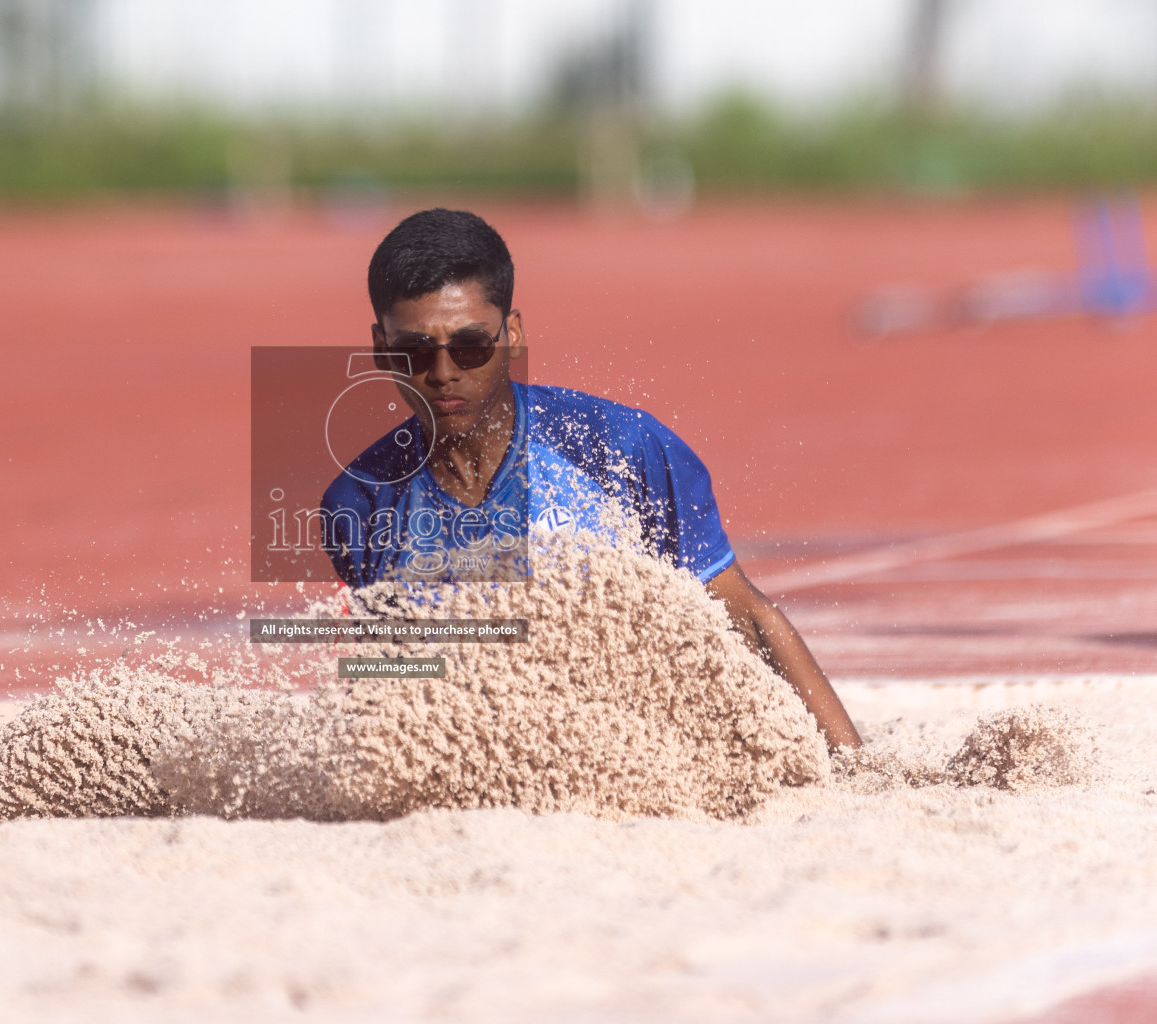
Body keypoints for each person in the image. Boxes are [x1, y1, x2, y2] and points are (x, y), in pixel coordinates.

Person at [321, 208, 861, 750]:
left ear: (511, 334)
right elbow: (393, 679)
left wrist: (852, 768)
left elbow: (742, 614)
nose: (441, 374)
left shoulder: (622, 448)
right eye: (413, 352)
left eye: (469, 346)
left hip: (651, 742)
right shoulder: (359, 503)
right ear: (379, 347)